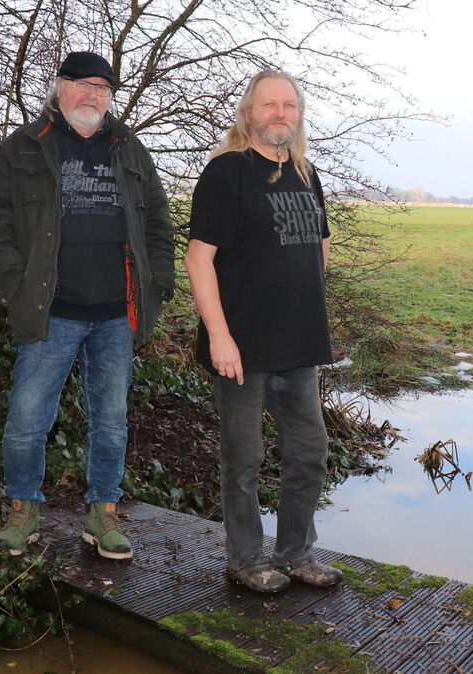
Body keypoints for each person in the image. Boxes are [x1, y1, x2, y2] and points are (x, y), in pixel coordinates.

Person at [0, 51, 175, 560]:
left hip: (116, 313)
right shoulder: (23, 147)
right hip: (51, 311)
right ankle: (23, 513)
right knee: (26, 419)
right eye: (83, 84)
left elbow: (157, 226)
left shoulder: (130, 148)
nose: (93, 95)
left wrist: (160, 285)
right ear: (59, 87)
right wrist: (17, 288)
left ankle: (102, 515)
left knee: (110, 420)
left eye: (103, 88)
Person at [184, 69, 341, 594]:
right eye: (269, 105)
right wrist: (220, 337)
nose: (280, 114)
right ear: (249, 113)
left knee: (310, 453)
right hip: (242, 348)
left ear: (298, 115)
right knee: (244, 458)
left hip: (299, 346)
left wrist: (310, 308)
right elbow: (199, 260)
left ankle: (296, 553)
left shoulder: (306, 173)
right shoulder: (226, 173)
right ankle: (246, 559)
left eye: (289, 106)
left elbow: (319, 247)